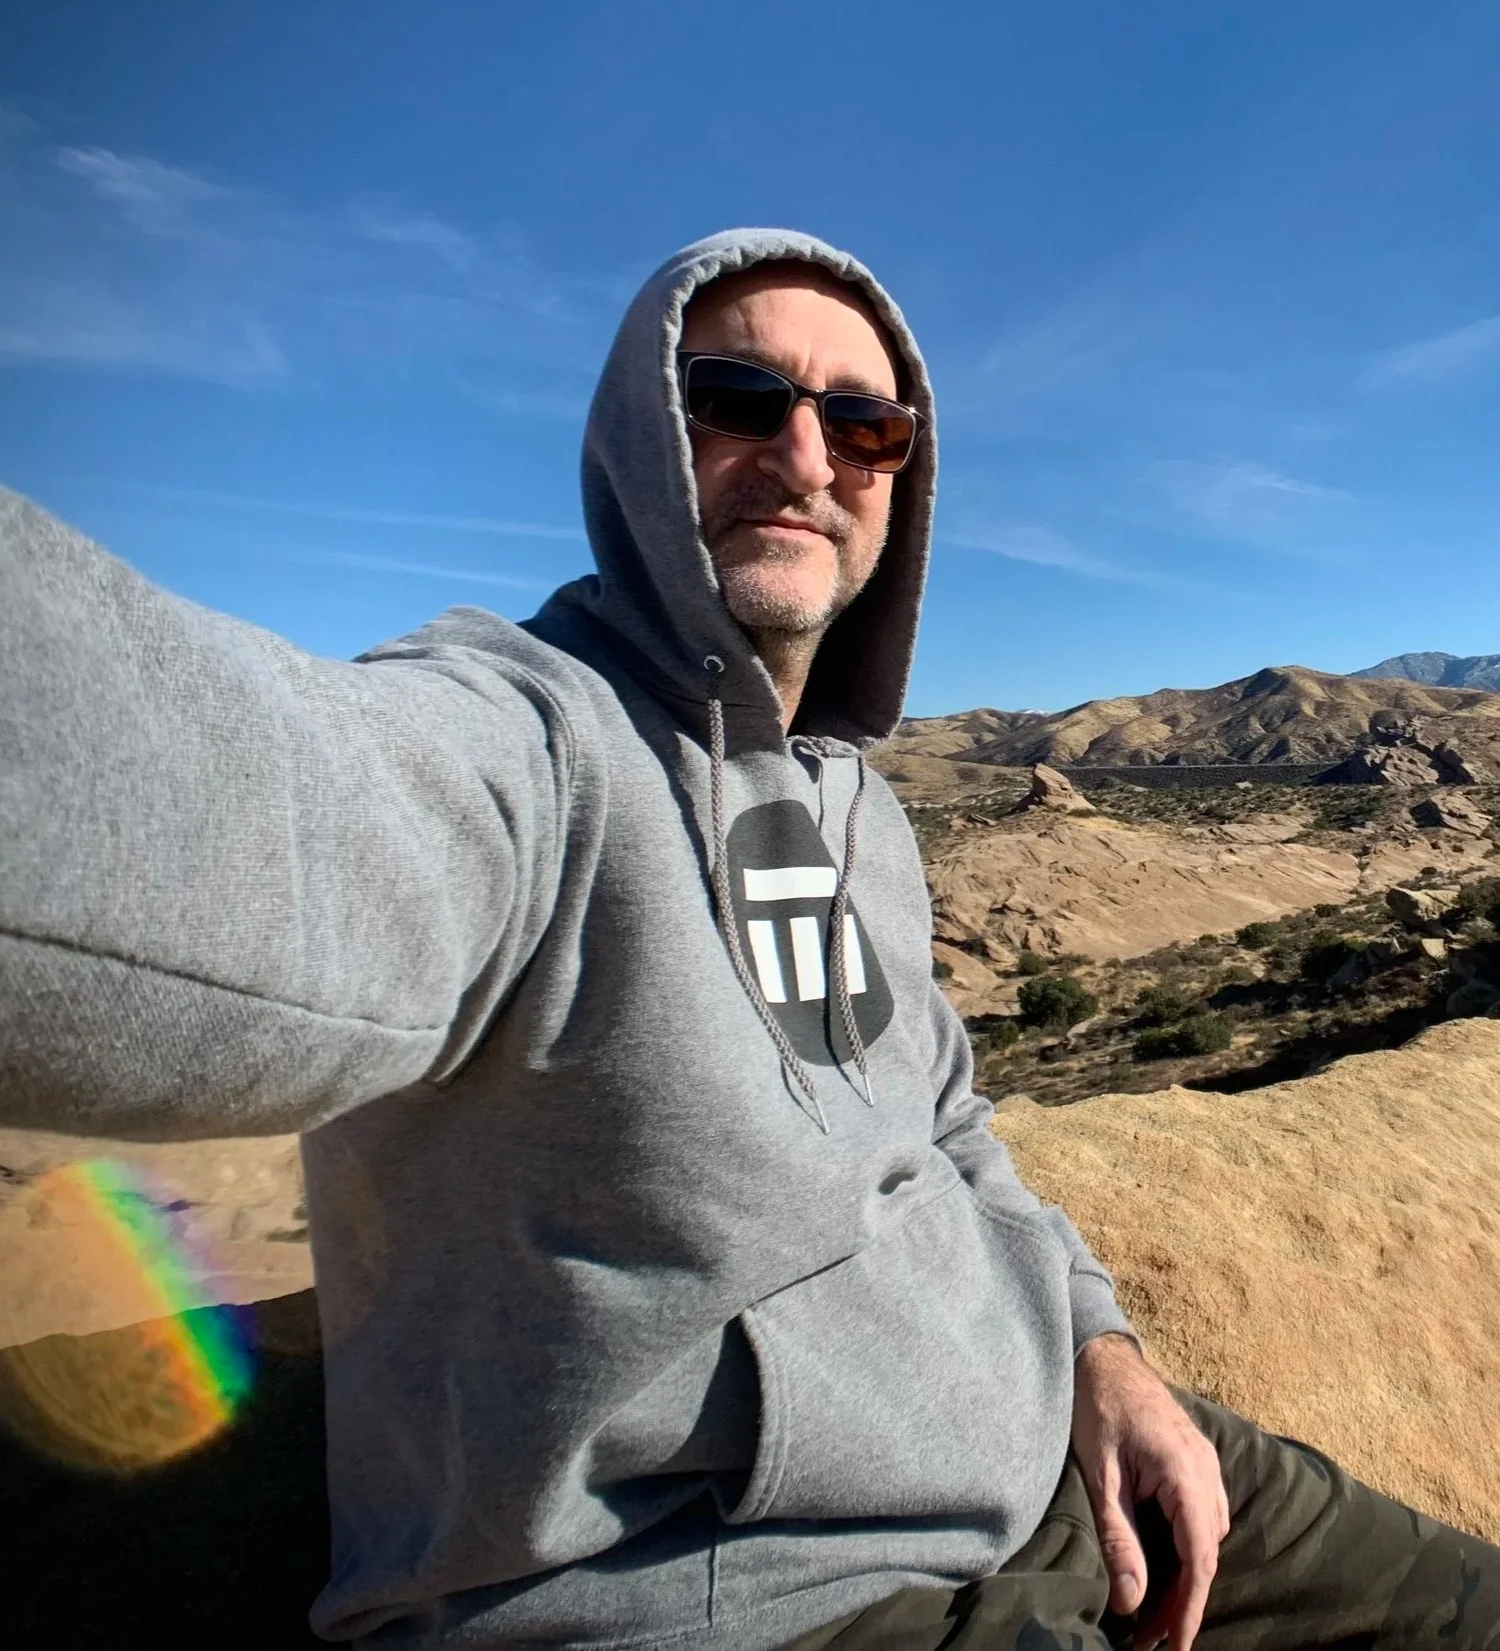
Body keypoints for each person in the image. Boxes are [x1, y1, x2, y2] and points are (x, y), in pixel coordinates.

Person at [1, 228, 1495, 1651]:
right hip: (741, 1594)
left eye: (864, 424)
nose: (805, 457)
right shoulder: (531, 743)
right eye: (736, 398)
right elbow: (276, 815)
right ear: (641, 441)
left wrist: (1102, 1351)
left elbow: (949, 1123)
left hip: (1044, 1452)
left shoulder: (861, 807)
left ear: (901, 478)